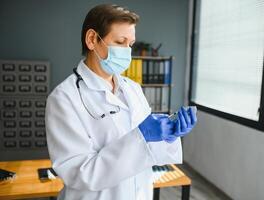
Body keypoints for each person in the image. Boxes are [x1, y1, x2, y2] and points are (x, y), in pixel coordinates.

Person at [45, 4, 197, 200]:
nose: (127, 52)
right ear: (92, 39)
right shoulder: (64, 98)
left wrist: (167, 137)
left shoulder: (132, 88)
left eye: (130, 44)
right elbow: (79, 174)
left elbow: (147, 153)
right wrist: (141, 136)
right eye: (120, 41)